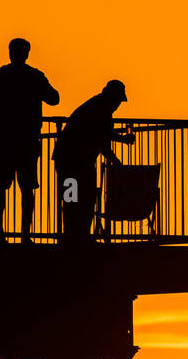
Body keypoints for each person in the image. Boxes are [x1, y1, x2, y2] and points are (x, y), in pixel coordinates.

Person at [0, 38, 59, 245]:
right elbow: (54, 98)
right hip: (28, 140)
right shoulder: (35, 76)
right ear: (27, 53)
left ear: (10, 53)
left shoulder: (1, 75)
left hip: (4, 140)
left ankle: (0, 231)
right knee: (27, 187)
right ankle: (25, 234)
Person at [52, 79, 135, 240]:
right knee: (77, 198)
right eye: (118, 101)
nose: (118, 105)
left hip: (73, 161)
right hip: (72, 162)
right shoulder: (101, 109)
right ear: (113, 97)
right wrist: (116, 159)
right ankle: (75, 235)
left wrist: (121, 142)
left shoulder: (99, 106)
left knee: (79, 198)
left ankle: (76, 234)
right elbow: (101, 137)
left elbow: (103, 134)